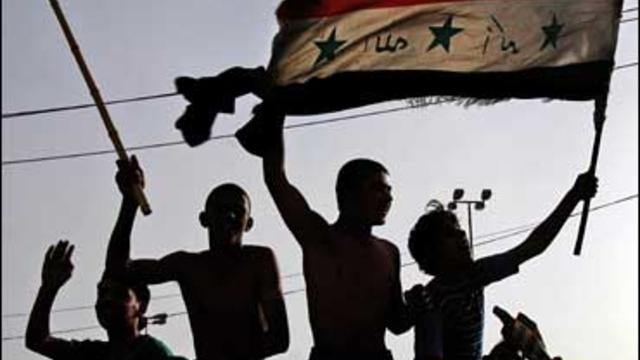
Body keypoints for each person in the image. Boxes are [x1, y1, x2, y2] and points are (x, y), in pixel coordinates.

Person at [236, 104, 415, 360]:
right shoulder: (320, 238)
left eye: (388, 190)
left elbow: (397, 323)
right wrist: (279, 110)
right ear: (348, 194)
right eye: (377, 188)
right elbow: (276, 178)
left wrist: (419, 306)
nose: (387, 198)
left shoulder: (389, 252)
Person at [112, 156, 289, 360]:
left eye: (237, 211)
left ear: (248, 223)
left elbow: (279, 339)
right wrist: (129, 202)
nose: (229, 216)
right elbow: (118, 268)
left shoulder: (260, 261)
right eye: (221, 210)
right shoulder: (187, 266)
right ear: (204, 219)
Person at [406, 172, 598, 360]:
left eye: (459, 230)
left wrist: (574, 195)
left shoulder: (475, 275)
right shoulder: (432, 300)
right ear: (431, 252)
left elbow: (533, 246)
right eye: (450, 233)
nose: (462, 235)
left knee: (520, 334)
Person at [25, 239, 181, 359]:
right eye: (102, 293)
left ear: (142, 305)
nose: (107, 300)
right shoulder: (94, 354)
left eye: (120, 294)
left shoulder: (151, 353)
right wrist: (48, 288)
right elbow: (38, 341)